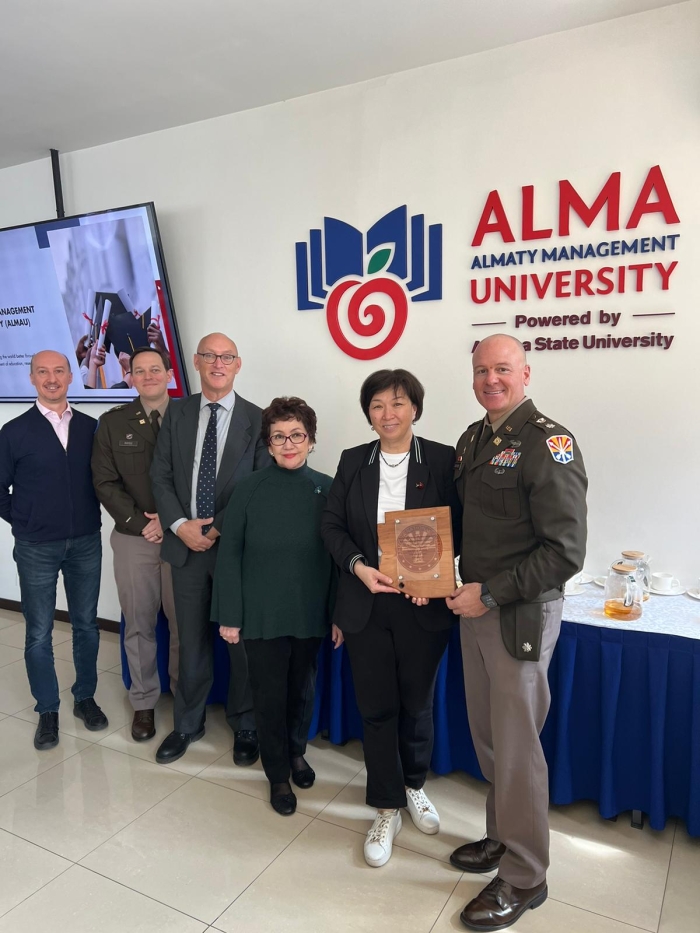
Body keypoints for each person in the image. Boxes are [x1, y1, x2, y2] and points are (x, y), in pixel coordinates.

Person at [447, 334, 588, 932]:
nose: (490, 380)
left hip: (518, 614)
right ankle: (502, 837)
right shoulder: (474, 439)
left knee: (518, 747)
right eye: (482, 371)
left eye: (502, 369)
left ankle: (526, 876)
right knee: (490, 738)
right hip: (474, 611)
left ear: (525, 373)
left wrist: (491, 592)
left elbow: (565, 552)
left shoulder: (549, 443)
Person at [322, 369, 460, 867]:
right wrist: (358, 568)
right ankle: (385, 805)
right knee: (377, 707)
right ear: (368, 413)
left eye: (398, 404)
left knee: (416, 704)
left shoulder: (443, 459)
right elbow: (332, 526)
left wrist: (435, 580)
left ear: (415, 410)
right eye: (378, 405)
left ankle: (414, 785)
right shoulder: (353, 461)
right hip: (367, 602)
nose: (388, 414)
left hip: (424, 606)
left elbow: (459, 528)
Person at [212, 397, 342, 816]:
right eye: (279, 437)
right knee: (269, 695)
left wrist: (338, 613)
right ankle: (277, 774)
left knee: (302, 690)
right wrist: (230, 616)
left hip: (310, 610)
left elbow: (341, 555)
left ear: (311, 440)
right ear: (268, 444)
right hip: (261, 614)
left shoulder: (326, 488)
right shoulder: (247, 489)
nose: (289, 444)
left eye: (297, 435)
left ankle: (297, 751)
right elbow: (228, 555)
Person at [150, 333, 268, 766]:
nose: (217, 363)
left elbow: (257, 486)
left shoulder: (257, 419)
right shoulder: (177, 412)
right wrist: (181, 527)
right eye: (209, 356)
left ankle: (246, 725)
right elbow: (160, 476)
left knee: (242, 644)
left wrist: (215, 529)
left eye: (226, 357)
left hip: (234, 551)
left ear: (238, 365)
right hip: (184, 548)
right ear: (196, 363)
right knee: (191, 640)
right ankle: (187, 723)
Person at [0, 350, 107, 749]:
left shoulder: (91, 428)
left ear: (69, 377)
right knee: (39, 633)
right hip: (35, 548)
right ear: (31, 379)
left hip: (85, 543)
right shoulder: (14, 432)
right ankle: (47, 709)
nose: (51, 378)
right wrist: (26, 523)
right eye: (42, 372)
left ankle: (85, 698)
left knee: (86, 625)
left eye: (58, 371)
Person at [91, 346, 178, 741]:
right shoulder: (113, 422)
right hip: (134, 538)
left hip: (182, 537)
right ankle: (143, 703)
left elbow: (204, 476)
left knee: (184, 625)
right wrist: (142, 524)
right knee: (139, 624)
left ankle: (184, 699)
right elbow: (104, 482)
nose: (148, 376)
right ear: (131, 377)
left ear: (168, 372)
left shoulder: (190, 415)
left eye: (155, 369)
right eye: (139, 370)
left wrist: (172, 520)